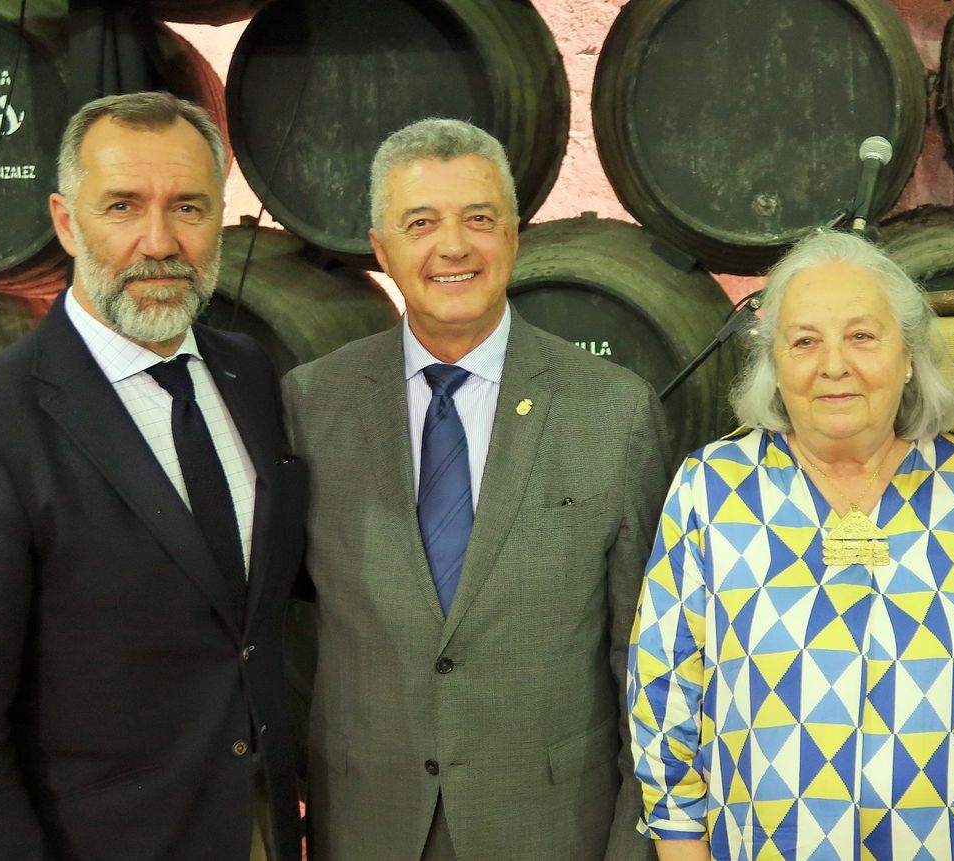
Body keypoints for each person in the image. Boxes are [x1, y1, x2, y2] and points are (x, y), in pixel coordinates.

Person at [0, 92, 308, 861]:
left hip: (259, 830)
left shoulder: (247, 371)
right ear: (64, 220)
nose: (159, 240)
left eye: (188, 205)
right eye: (122, 206)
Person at [281, 117, 670, 860]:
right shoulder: (311, 403)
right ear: (381, 247)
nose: (453, 246)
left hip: (552, 829)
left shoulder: (613, 409)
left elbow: (641, 661)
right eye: (420, 222)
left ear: (516, 234)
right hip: (367, 823)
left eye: (479, 219)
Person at [628, 230, 954, 861]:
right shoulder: (712, 488)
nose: (834, 365)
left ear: (907, 355)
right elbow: (663, 692)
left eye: (862, 336)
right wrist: (681, 845)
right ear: (775, 363)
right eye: (804, 342)